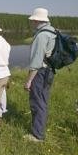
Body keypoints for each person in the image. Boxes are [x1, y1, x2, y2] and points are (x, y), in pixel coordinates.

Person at [24, 8, 56, 142]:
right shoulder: (52, 31)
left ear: (37, 20)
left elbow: (36, 61)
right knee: (42, 100)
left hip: (41, 73)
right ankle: (39, 130)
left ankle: (37, 135)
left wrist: (29, 80)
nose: (31, 23)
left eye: (32, 21)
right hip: (49, 71)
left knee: (38, 102)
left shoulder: (41, 35)